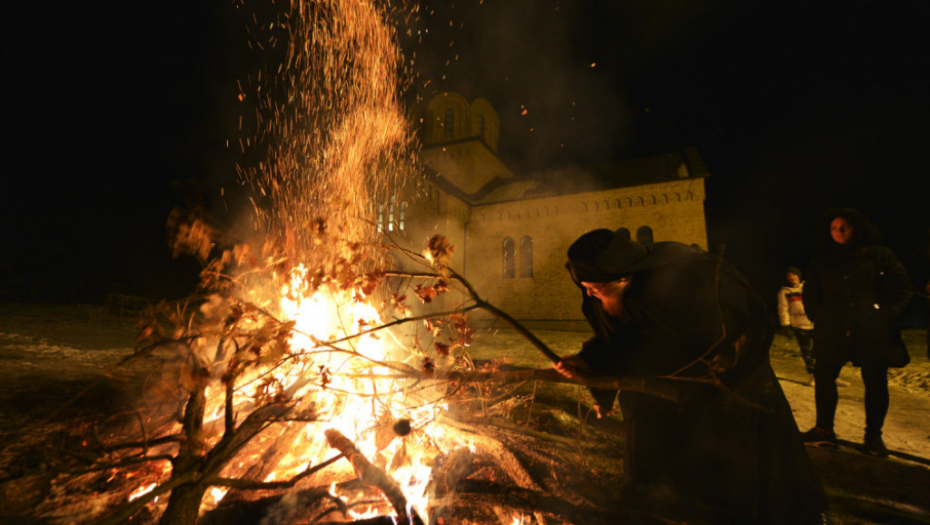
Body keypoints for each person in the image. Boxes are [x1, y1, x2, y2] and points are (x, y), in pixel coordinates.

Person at [556, 229, 826, 524]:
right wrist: (587, 361)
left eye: (594, 288)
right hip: (652, 391)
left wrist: (732, 355)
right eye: (583, 287)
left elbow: (750, 319)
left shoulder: (688, 273)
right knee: (651, 465)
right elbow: (617, 343)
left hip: (719, 383)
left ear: (622, 276)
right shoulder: (601, 293)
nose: (588, 294)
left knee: (734, 465)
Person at [801, 208, 914, 457]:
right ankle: (824, 431)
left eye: (844, 227)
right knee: (823, 375)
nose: (839, 233)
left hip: (871, 330)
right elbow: (811, 291)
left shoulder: (879, 255)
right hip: (832, 328)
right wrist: (817, 315)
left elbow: (903, 288)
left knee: (875, 380)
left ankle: (873, 437)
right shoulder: (823, 258)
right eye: (833, 228)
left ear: (857, 228)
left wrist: (886, 314)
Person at [778, 267, 816, 383]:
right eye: (789, 276)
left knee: (822, 350)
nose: (791, 277)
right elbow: (783, 309)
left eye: (793, 274)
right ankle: (814, 376)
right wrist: (785, 325)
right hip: (799, 324)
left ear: (798, 275)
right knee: (807, 352)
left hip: (814, 322)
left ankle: (829, 376)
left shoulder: (808, 288)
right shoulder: (785, 292)